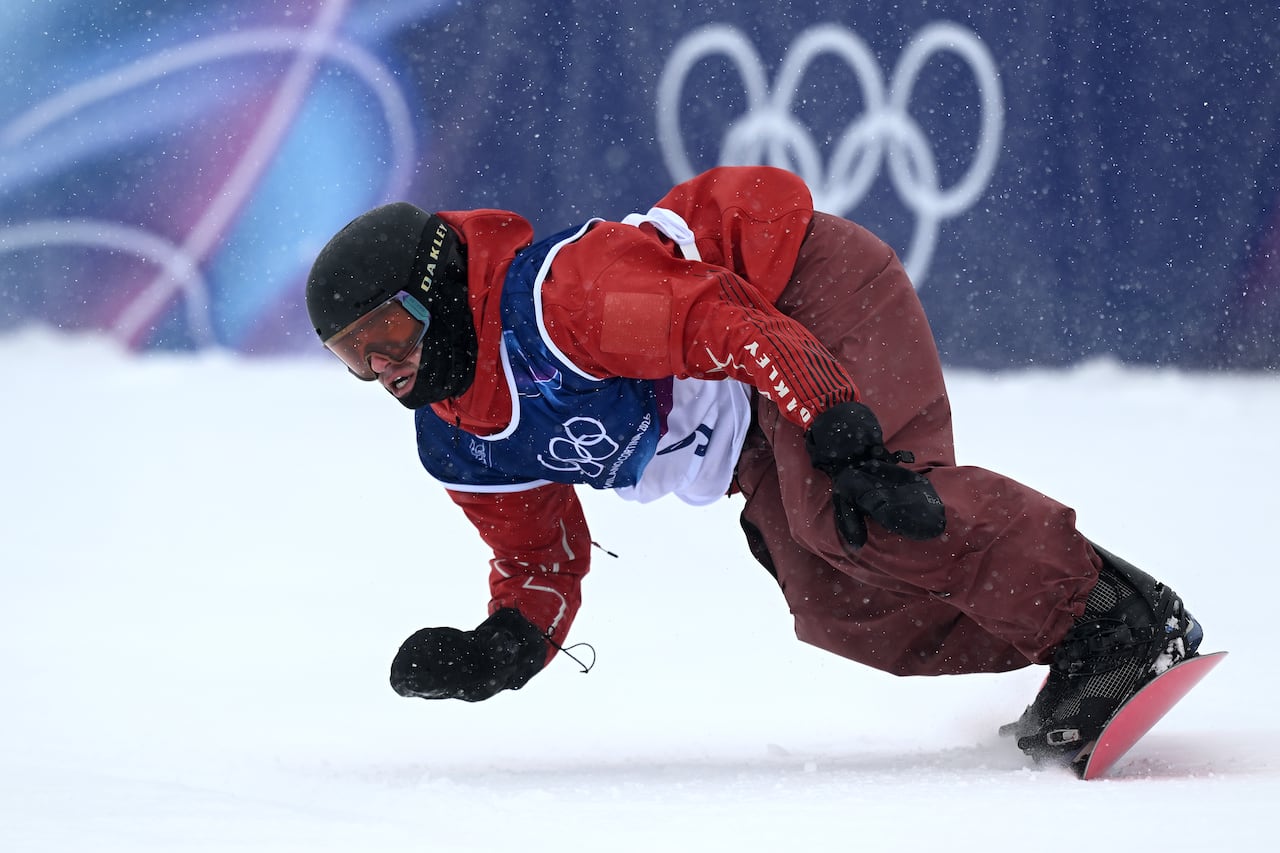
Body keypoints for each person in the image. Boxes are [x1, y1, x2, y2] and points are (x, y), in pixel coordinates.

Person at [304, 165, 1202, 767]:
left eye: (388, 333)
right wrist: (504, 644)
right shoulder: (460, 439)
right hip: (749, 421)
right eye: (354, 355)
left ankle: (1114, 624)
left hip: (801, 294)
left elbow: (732, 323)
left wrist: (835, 421)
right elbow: (538, 561)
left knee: (850, 510)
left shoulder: (563, 298)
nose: (384, 369)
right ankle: (1070, 642)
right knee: (831, 605)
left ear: (437, 290)